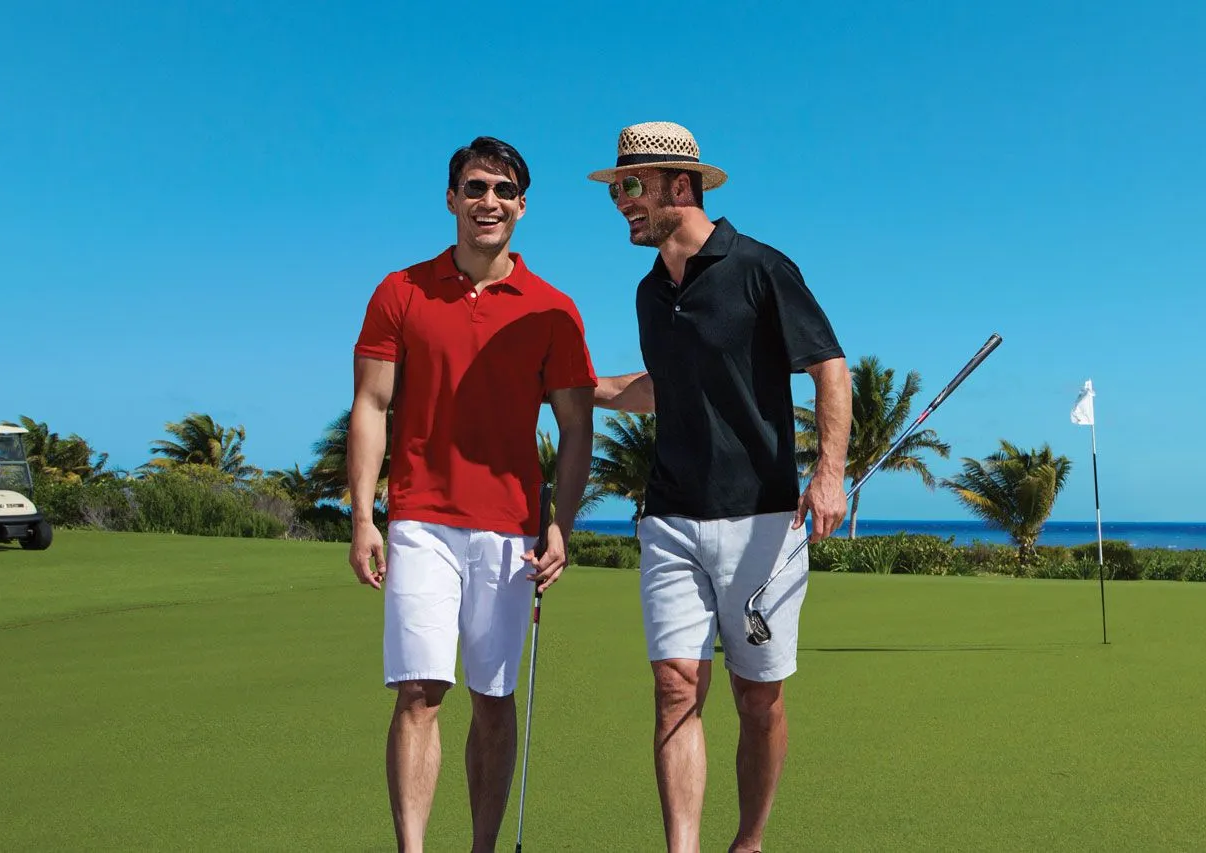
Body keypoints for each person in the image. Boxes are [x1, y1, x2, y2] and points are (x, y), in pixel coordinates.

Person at [589, 121, 852, 853]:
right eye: (616, 189)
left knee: (757, 699)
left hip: (762, 519)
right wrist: (583, 387)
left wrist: (829, 473)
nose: (621, 201)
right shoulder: (649, 292)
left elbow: (829, 366)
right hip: (670, 516)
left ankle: (749, 841)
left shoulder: (761, 267)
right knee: (675, 686)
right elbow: (663, 387)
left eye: (631, 186)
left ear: (681, 185)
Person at [348, 136, 596, 853]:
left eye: (504, 190)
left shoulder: (553, 309)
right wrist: (363, 516)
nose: (489, 201)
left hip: (511, 528)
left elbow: (576, 426)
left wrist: (561, 523)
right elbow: (370, 405)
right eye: (476, 187)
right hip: (420, 519)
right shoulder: (400, 291)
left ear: (522, 205)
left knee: (493, 699)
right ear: (452, 198)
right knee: (419, 692)